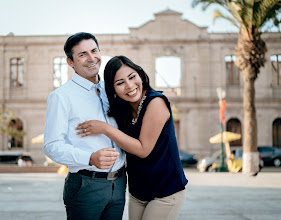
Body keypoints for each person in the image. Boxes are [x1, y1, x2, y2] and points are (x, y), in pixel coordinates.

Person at [76, 55, 188, 220]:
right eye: (120, 83)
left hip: (166, 190)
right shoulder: (123, 109)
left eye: (132, 77)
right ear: (112, 89)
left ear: (140, 75)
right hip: (138, 192)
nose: (129, 86)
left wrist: (104, 128)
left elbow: (143, 149)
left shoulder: (155, 102)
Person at [43, 33, 126, 220]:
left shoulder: (112, 90)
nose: (91, 58)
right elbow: (51, 145)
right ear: (70, 62)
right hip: (85, 184)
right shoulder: (61, 96)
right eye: (82, 54)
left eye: (94, 51)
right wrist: (90, 158)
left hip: (119, 183)